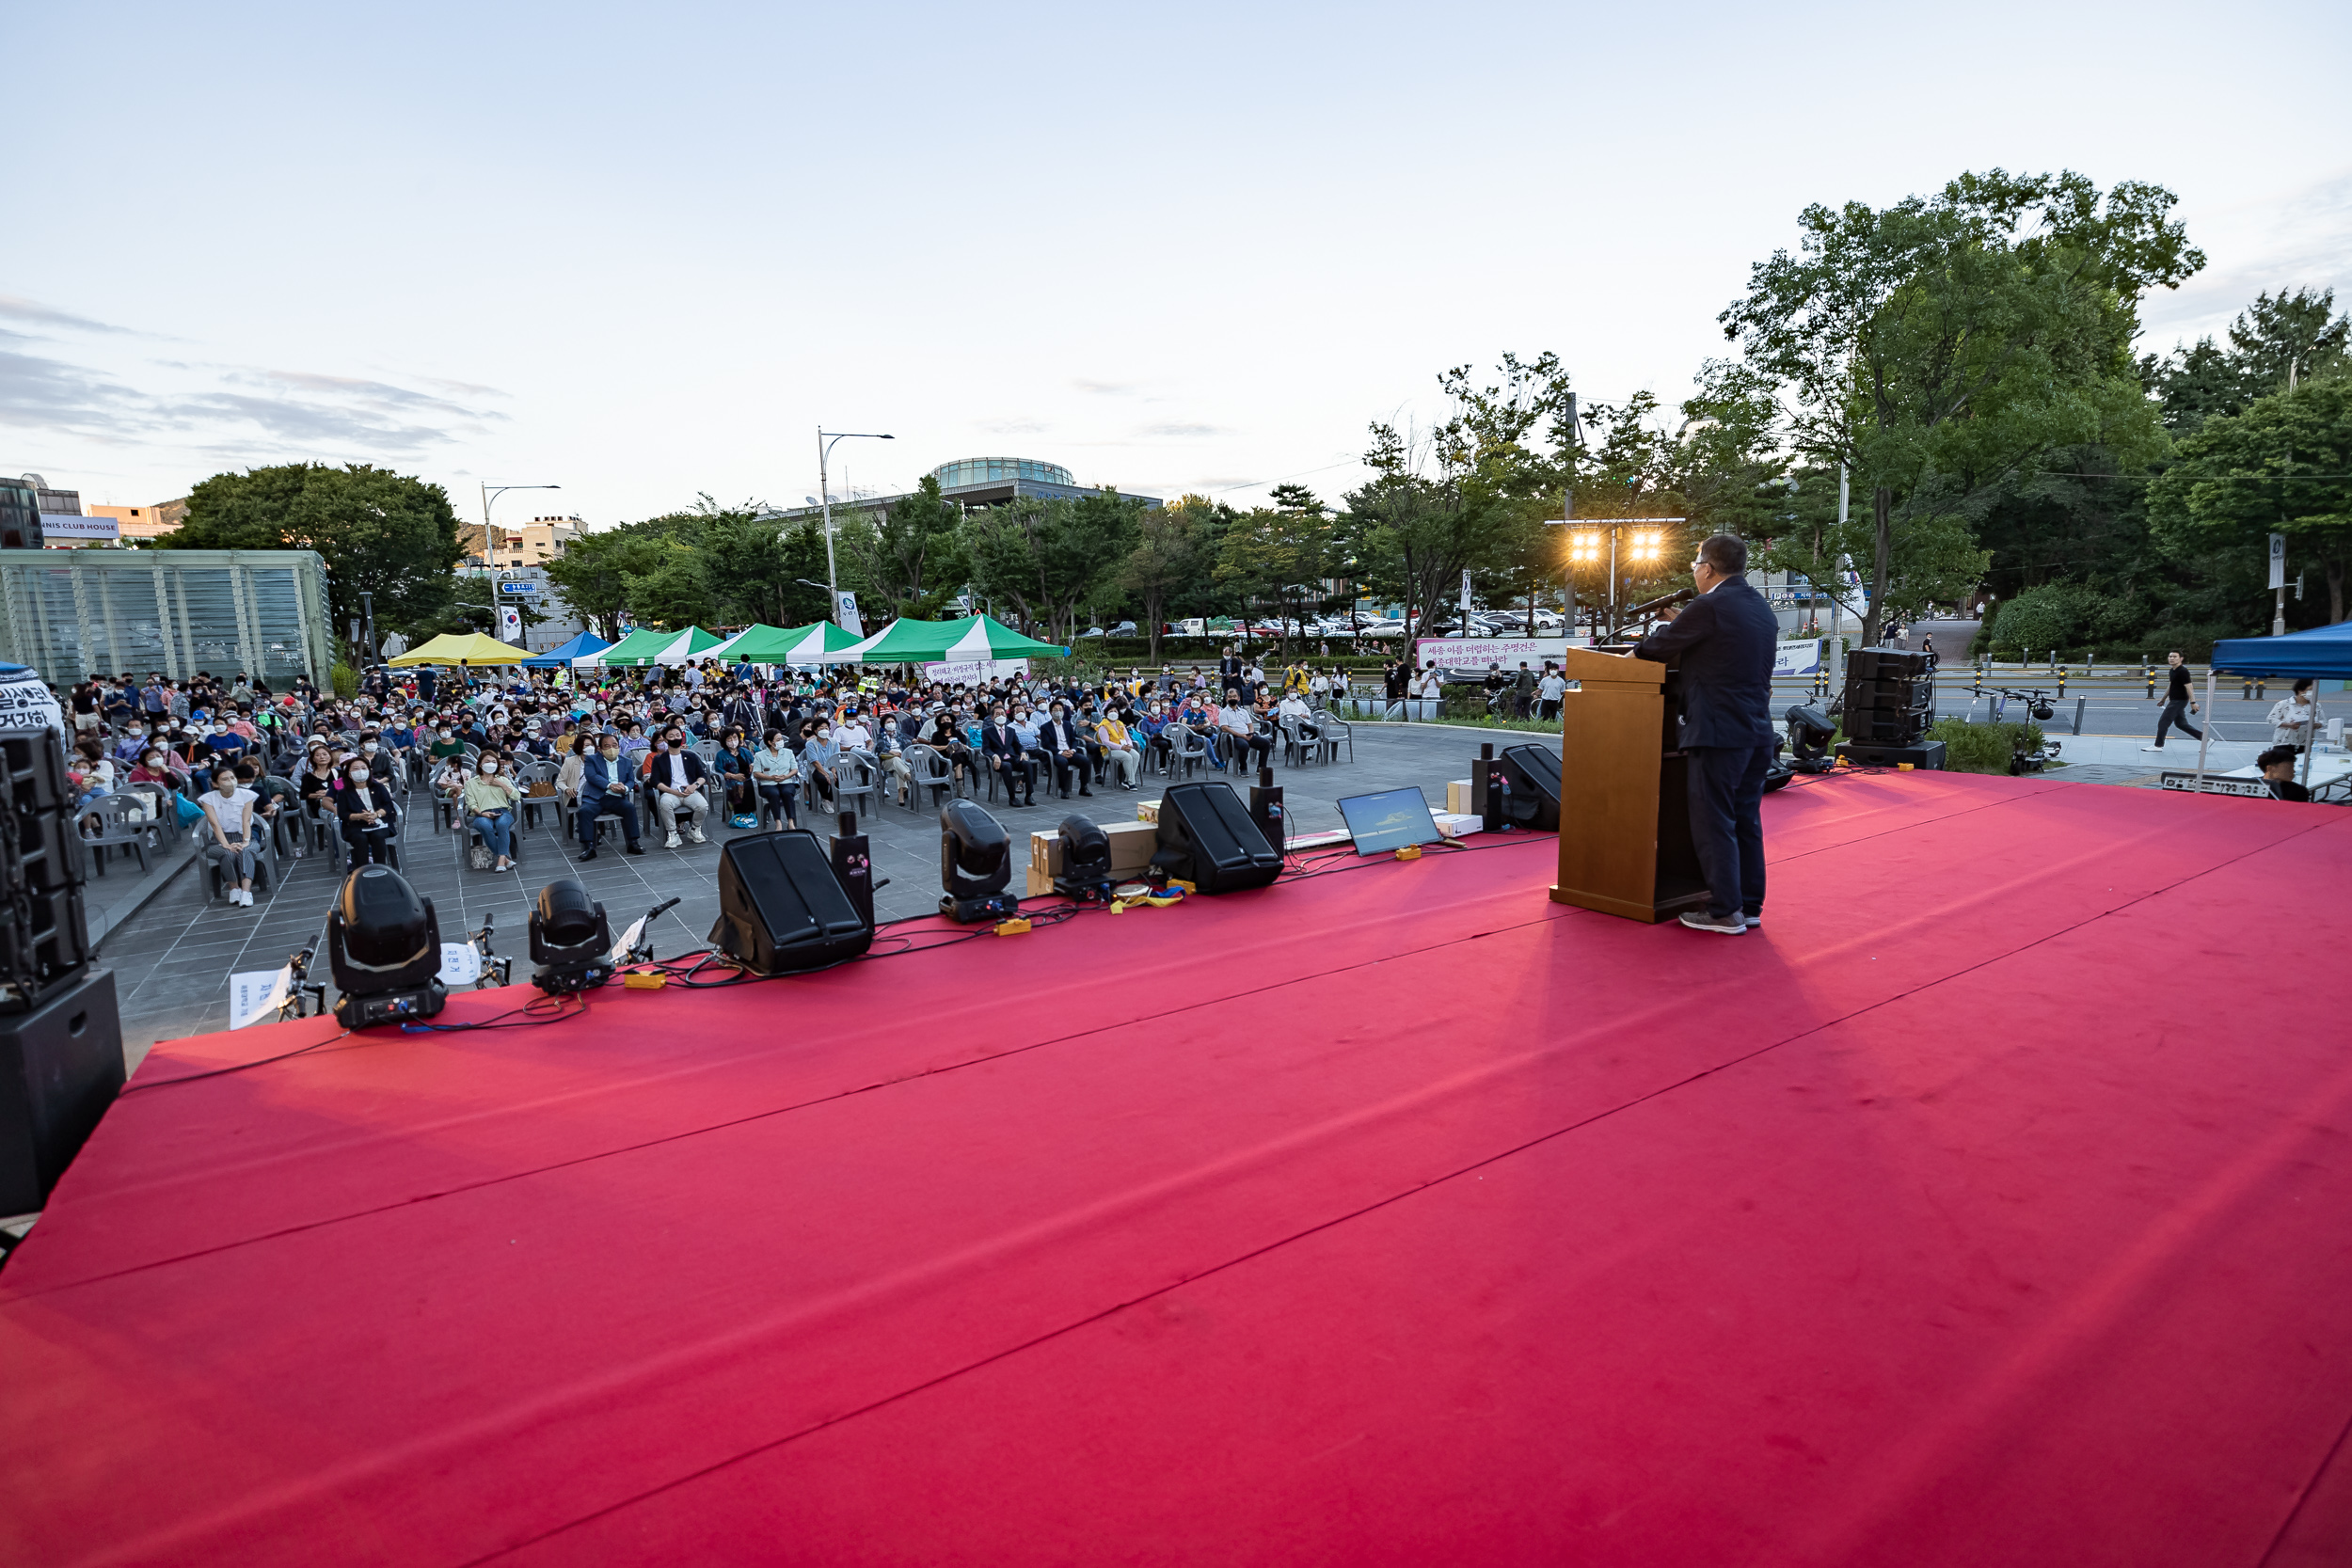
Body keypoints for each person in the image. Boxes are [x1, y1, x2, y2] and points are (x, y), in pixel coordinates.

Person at [1632, 533, 1778, 933]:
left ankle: (1724, 910)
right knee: (1744, 819)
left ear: (1708, 568)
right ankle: (1748, 906)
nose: (1695, 571)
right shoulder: (1757, 605)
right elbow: (1723, 649)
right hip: (1756, 731)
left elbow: (1655, 649)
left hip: (1717, 732)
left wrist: (1630, 656)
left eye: (1696, 564)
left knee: (1714, 820)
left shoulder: (1709, 604)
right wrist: (1683, 620)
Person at [202, 768, 262, 907]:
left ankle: (246, 892)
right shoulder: (208, 799)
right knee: (227, 853)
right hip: (218, 840)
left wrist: (245, 842)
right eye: (225, 779)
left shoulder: (247, 795)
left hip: (245, 836)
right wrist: (225, 844)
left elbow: (246, 821)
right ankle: (234, 888)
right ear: (216, 784)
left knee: (245, 851)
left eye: (232, 778)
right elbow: (214, 824)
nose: (230, 782)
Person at [578, 736, 645, 859]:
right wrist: (610, 785)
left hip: (616, 798)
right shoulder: (592, 760)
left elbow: (631, 780)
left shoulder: (626, 761)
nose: (611, 749)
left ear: (619, 747)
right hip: (596, 798)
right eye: (607, 746)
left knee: (629, 808)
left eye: (614, 745)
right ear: (600, 749)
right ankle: (589, 847)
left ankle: (633, 843)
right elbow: (591, 776)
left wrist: (624, 788)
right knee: (584, 811)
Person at [644, 732, 710, 847]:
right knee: (665, 803)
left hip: (689, 790)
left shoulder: (690, 756)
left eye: (677, 736)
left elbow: (702, 775)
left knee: (702, 805)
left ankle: (695, 828)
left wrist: (694, 786)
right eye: (670, 736)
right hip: (670, 792)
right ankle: (672, 833)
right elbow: (655, 781)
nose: (674, 738)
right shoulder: (659, 759)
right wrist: (671, 791)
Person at [337, 756, 401, 869]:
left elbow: (388, 805)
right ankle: (362, 871)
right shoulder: (344, 792)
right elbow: (343, 813)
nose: (360, 771)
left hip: (380, 822)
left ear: (369, 771)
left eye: (363, 768)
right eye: (356, 769)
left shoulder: (379, 787)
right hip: (356, 825)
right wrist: (360, 816)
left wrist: (376, 814)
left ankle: (381, 869)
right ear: (349, 774)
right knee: (360, 838)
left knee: (378, 836)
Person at [462, 752, 522, 871]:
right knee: (484, 825)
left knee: (502, 824)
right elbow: (471, 803)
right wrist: (481, 813)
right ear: (480, 765)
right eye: (487, 762)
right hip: (482, 813)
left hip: (503, 811)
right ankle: (505, 859)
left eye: (494, 762)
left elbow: (516, 796)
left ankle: (501, 860)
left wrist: (501, 784)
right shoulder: (471, 783)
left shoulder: (503, 780)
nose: (491, 764)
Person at [2142, 652, 2202, 752]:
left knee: (2163, 722)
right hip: (2174, 700)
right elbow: (2171, 685)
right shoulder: (2172, 670)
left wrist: (2193, 702)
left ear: (2181, 658)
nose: (2172, 658)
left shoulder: (2183, 671)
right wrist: (2163, 699)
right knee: (2181, 724)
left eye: (2175, 657)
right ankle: (2205, 740)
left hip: (2179, 701)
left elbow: (2189, 687)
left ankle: (2158, 746)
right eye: (2170, 656)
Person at [981, 705, 1037, 804]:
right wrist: (994, 756)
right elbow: (985, 749)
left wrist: (1023, 752)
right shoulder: (987, 731)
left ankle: (1029, 795)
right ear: (992, 718)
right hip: (999, 761)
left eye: (1002, 714)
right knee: (1007, 766)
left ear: (1006, 716)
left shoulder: (1011, 730)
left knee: (1027, 763)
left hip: (1012, 757)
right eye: (997, 714)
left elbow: (1018, 745)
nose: (1000, 716)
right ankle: (1012, 797)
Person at [1038, 702, 1092, 798]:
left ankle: (1083, 787)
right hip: (1056, 753)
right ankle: (1064, 789)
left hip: (1069, 751)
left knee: (1085, 761)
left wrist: (1073, 750)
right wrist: (1060, 752)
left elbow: (1073, 740)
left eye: (1060, 710)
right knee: (1063, 762)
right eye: (1055, 710)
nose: (1058, 712)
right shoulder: (1045, 727)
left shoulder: (1067, 725)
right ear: (1050, 712)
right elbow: (1047, 744)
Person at [752, 728, 801, 828]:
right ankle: (778, 822)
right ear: (770, 742)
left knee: (787, 792)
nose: (781, 741)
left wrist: (786, 776)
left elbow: (795, 769)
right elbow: (756, 773)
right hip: (768, 783)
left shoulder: (788, 752)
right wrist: (770, 777)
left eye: (781, 739)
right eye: (778, 740)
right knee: (774, 793)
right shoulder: (760, 755)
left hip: (786, 781)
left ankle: (791, 821)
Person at [2266, 679, 2322, 750]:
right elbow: (2271, 718)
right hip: (2284, 743)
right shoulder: (2284, 704)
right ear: (2300, 690)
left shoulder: (2316, 705)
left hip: (2305, 744)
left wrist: (2317, 725)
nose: (2312, 692)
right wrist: (2288, 725)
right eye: (2310, 690)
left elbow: (2323, 721)